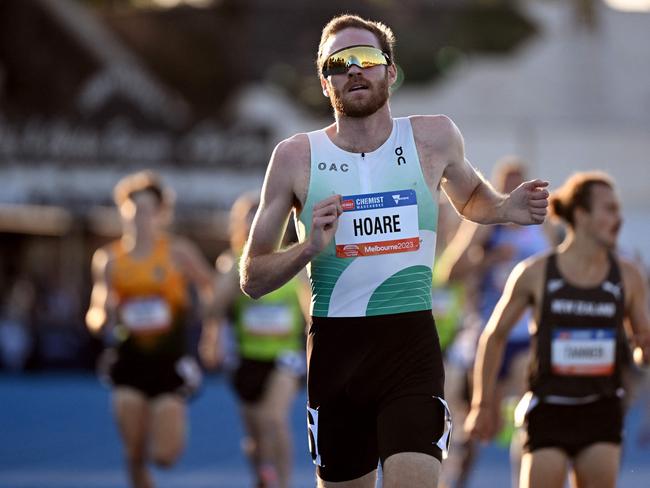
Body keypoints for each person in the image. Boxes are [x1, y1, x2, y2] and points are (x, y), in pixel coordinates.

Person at [239, 14, 549, 488]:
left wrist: (507, 208)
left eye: (367, 58)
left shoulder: (433, 137)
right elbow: (253, 278)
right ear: (326, 83)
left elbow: (468, 198)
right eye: (339, 63)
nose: (354, 70)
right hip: (336, 350)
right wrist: (308, 247)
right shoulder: (294, 157)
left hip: (410, 344)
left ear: (391, 71)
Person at [465, 172, 650, 488]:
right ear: (581, 214)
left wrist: (642, 351)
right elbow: (494, 336)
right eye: (608, 209)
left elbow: (641, 347)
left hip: (601, 408)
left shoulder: (628, 275)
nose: (618, 219)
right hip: (548, 408)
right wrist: (482, 404)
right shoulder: (535, 273)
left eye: (618, 210)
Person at [86, 170, 217, 488]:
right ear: (123, 211)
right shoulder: (109, 260)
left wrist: (211, 332)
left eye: (147, 210)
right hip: (128, 361)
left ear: (160, 213)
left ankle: (169, 424)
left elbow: (212, 288)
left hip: (169, 363)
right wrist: (102, 318)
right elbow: (95, 310)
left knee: (164, 456)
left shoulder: (177, 252)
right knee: (133, 452)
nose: (139, 217)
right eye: (133, 210)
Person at [437, 157, 552, 487]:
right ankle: (457, 478)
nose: (515, 190)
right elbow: (448, 273)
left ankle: (525, 480)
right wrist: (487, 260)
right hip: (487, 333)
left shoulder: (542, 224)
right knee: (476, 421)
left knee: (527, 411)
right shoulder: (485, 223)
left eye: (521, 183)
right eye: (508, 184)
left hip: (526, 333)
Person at [201, 192, 308, 488]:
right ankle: (262, 475)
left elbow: (311, 311)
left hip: (285, 356)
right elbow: (213, 310)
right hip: (247, 357)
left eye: (256, 217)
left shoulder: (291, 258)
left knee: (274, 419)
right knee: (256, 435)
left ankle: (284, 482)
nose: (252, 224)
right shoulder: (232, 264)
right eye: (245, 219)